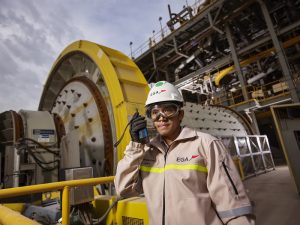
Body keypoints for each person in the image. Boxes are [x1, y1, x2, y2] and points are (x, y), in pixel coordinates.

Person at [114, 81, 255, 225]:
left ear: (180, 114)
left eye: (168, 110)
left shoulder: (206, 144)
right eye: (155, 112)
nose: (161, 117)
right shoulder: (147, 152)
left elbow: (233, 208)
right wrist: (136, 146)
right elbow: (123, 190)